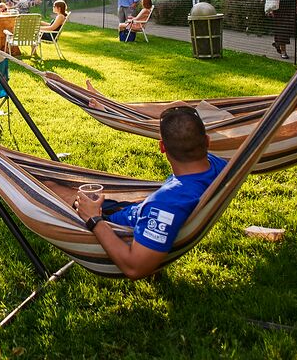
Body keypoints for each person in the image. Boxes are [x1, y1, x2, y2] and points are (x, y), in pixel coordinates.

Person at [72, 106, 226, 279]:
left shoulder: (165, 204)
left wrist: (94, 219)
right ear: (207, 141)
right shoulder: (221, 166)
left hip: (117, 225)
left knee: (56, 190)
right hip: (137, 210)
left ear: (162, 147)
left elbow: (135, 268)